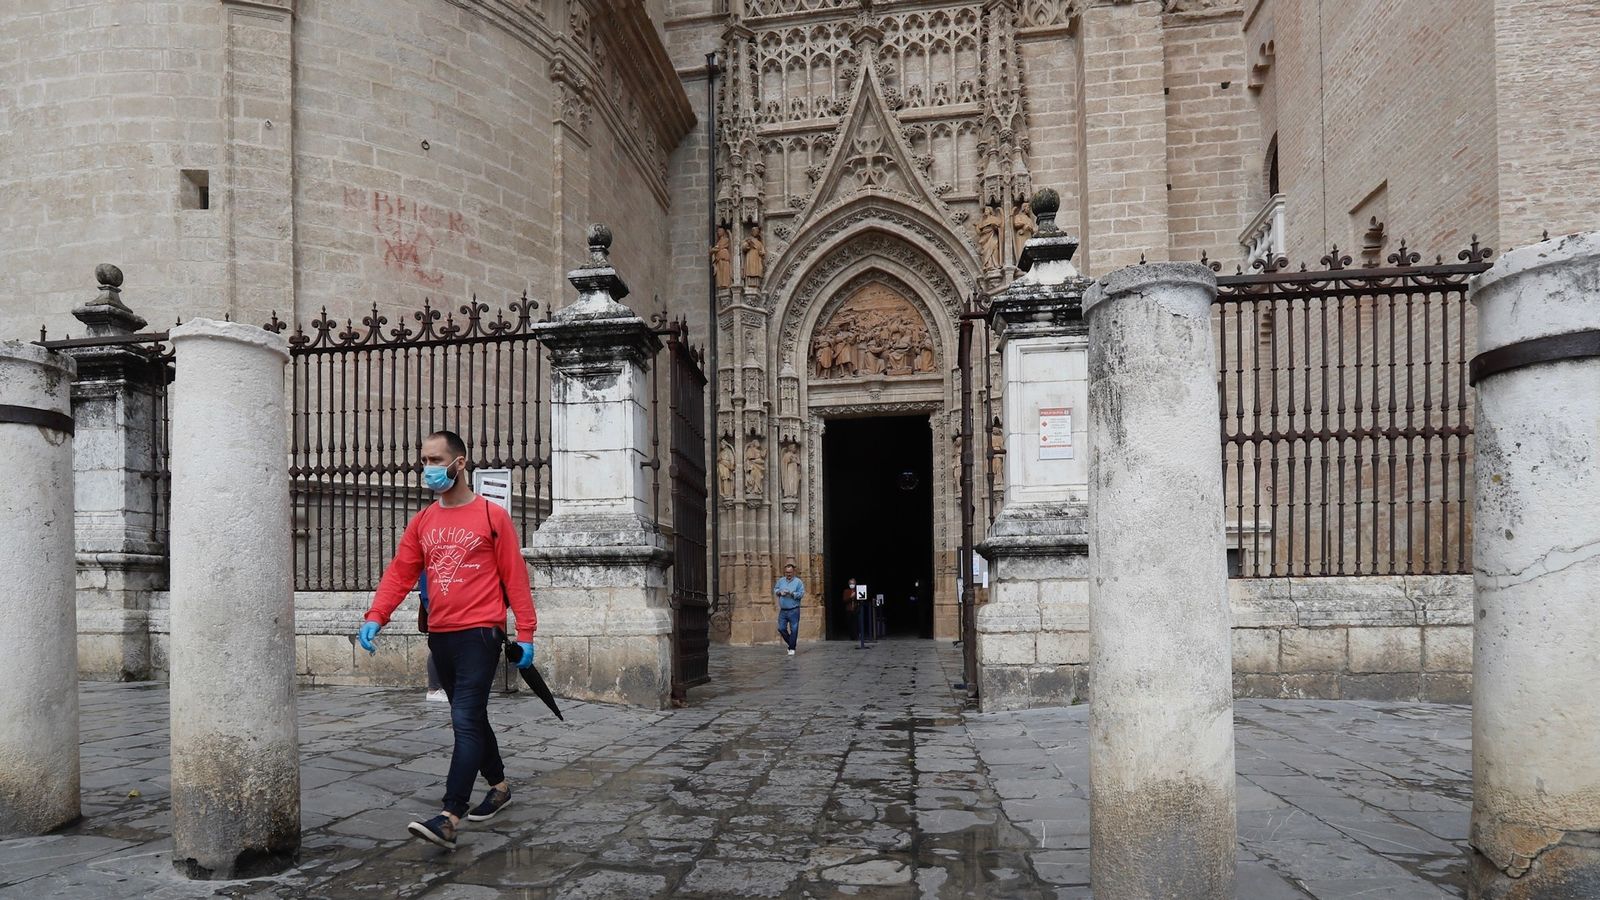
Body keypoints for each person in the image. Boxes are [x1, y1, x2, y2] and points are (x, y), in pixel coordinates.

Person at [357, 430, 537, 851]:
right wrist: (376, 615)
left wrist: (525, 632)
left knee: (465, 719)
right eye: (424, 460)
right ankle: (500, 786)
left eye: (436, 460)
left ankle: (449, 815)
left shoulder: (493, 518)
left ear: (460, 463)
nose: (429, 469)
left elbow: (515, 578)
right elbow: (401, 572)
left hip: (480, 634)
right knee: (469, 715)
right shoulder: (423, 522)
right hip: (441, 634)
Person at [419, 573, 446, 702]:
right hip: (435, 603)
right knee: (439, 645)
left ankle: (438, 687)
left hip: (438, 602)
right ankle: (434, 688)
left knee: (443, 644)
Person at [774, 563, 804, 656]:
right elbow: (775, 589)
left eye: (790, 572)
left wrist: (791, 593)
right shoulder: (781, 581)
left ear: (794, 571)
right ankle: (792, 643)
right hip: (783, 610)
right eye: (787, 572)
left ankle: (792, 648)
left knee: (794, 629)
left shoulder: (798, 582)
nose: (788, 574)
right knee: (781, 628)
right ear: (784, 572)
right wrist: (779, 592)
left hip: (794, 609)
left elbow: (801, 594)